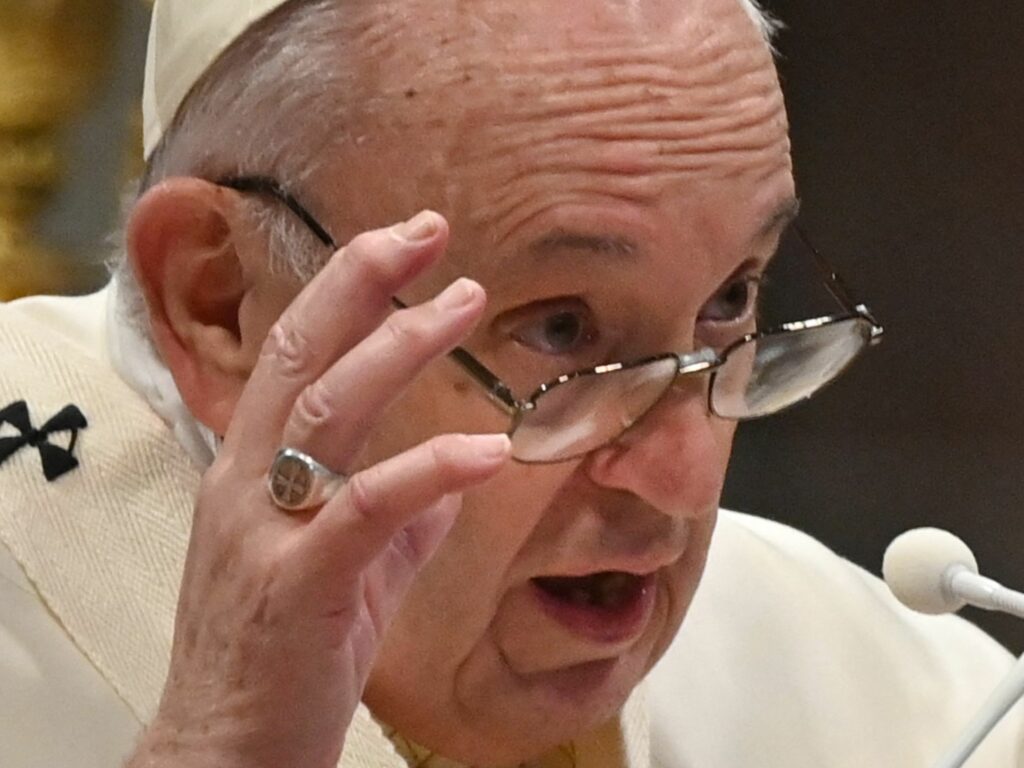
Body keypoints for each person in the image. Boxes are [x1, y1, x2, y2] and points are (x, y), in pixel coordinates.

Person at [1, 0, 1022, 766]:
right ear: (221, 301)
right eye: (562, 330)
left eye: (729, 300)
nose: (677, 480)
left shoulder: (867, 688)